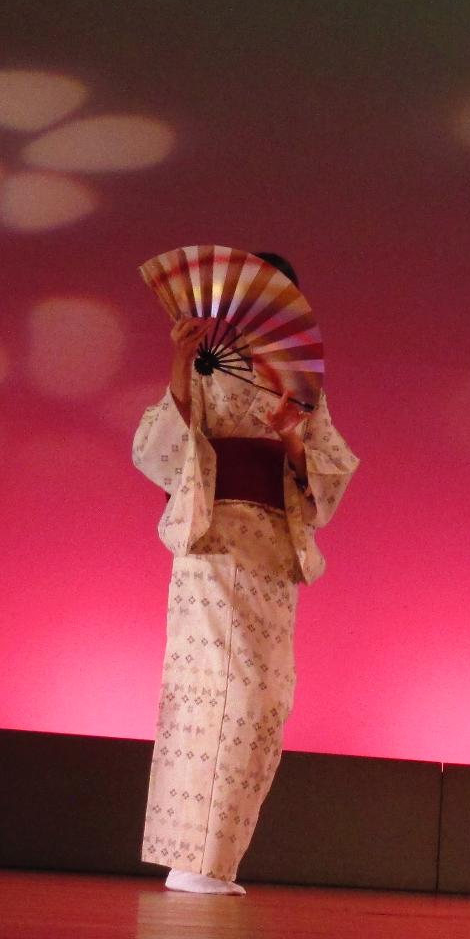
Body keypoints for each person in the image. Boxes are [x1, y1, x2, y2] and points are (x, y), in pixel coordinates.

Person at [132, 253, 358, 895]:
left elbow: (325, 477)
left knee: (263, 699)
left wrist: (291, 436)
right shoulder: (207, 366)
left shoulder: (301, 385)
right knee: (218, 691)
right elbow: (161, 450)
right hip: (214, 544)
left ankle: (213, 861)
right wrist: (180, 361)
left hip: (270, 554)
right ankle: (193, 859)